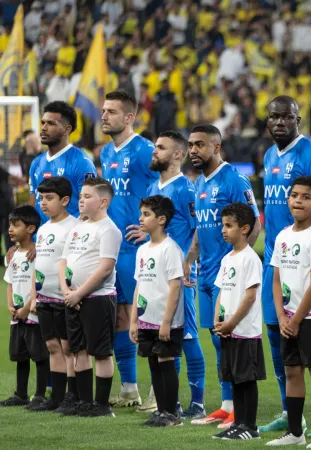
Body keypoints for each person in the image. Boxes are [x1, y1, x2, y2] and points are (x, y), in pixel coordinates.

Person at [259, 96, 311, 436]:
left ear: (298, 120)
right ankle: (293, 417)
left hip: (306, 256)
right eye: (273, 117)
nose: (279, 122)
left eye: (286, 117)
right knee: (278, 334)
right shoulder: (267, 155)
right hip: (277, 256)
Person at [186, 124, 261, 427]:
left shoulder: (234, 179)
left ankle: (238, 410)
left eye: (199, 145)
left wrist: (239, 261)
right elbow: (200, 229)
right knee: (217, 341)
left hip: (226, 275)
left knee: (229, 340)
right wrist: (189, 259)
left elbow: (253, 222)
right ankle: (227, 405)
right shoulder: (197, 184)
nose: (193, 150)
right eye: (191, 145)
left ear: (216, 147)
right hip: (205, 275)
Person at [99, 90, 159, 408]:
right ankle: (129, 389)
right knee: (122, 318)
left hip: (138, 248)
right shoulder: (108, 153)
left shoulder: (144, 151)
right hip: (114, 248)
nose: (104, 116)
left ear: (129, 117)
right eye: (104, 110)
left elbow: (164, 188)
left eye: (111, 111)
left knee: (147, 316)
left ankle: (157, 392)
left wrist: (150, 229)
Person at [267, 177, 311, 448]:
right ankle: (295, 433)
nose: (298, 200)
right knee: (292, 372)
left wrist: (295, 319)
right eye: (294, 195)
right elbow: (276, 279)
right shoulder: (283, 235)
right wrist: (283, 317)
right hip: (289, 318)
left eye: (306, 197)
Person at [144, 131, 206, 420]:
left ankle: (197, 403)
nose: (154, 151)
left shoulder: (185, 189)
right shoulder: (153, 186)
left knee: (187, 336)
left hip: (180, 276)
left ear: (178, 154)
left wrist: (190, 263)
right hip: (155, 277)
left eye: (160, 147)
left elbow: (198, 228)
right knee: (163, 337)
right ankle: (172, 402)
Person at [59, 177, 123, 417]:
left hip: (98, 298)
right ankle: (85, 401)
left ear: (103, 201)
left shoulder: (109, 230)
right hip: (73, 297)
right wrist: (67, 291)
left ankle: (102, 405)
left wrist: (78, 293)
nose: (81, 201)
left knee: (101, 351)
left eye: (87, 197)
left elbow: (105, 268)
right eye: (81, 196)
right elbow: (63, 261)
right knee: (78, 350)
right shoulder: (78, 226)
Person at [129, 195, 185, 427]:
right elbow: (139, 286)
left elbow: (175, 287)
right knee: (153, 362)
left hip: (165, 321)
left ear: (161, 219)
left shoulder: (170, 249)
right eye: (141, 213)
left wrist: (166, 322)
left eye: (146, 214)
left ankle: (172, 413)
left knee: (165, 360)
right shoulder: (142, 250)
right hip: (146, 319)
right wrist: (134, 320)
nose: (140, 218)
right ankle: (161, 411)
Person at [212, 203, 266, 440]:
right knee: (234, 378)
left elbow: (250, 296)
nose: (224, 230)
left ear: (244, 228)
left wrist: (232, 322)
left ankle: (250, 427)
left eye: (229, 226)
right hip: (228, 330)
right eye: (223, 225)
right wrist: (218, 320)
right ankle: (239, 423)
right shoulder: (227, 259)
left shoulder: (250, 258)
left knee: (246, 379)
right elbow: (222, 292)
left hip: (245, 331)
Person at [32, 177, 80, 411]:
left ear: (65, 200)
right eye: (41, 198)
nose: (43, 203)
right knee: (52, 346)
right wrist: (34, 295)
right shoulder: (43, 228)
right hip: (44, 297)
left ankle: (73, 395)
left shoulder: (74, 226)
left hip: (64, 297)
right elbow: (38, 264)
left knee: (68, 346)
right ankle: (57, 397)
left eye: (49, 198)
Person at [1, 205, 48, 409]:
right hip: (17, 314)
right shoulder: (11, 255)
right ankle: (20, 393)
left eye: (16, 225)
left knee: (39, 354)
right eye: (10, 224)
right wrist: (10, 305)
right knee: (20, 355)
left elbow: (38, 283)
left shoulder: (38, 254)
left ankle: (39, 395)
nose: (10, 229)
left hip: (33, 313)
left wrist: (28, 307)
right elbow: (9, 282)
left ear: (30, 228)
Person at [28, 101, 96, 224]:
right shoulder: (36, 163)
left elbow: (90, 209)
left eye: (51, 123)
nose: (43, 128)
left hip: (70, 239)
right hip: (41, 239)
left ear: (67, 129)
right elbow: (33, 204)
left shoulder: (81, 163)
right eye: (43, 123)